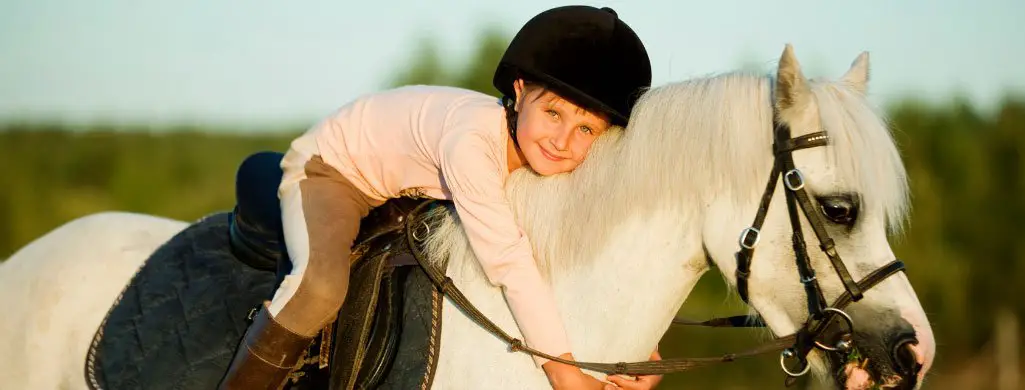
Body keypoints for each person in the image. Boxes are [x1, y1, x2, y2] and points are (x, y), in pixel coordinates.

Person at [219, 5, 659, 390]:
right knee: (320, 288)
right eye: (553, 112)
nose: (563, 141)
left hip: (406, 187)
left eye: (586, 130)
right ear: (520, 92)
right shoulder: (471, 143)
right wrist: (565, 376)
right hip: (334, 169)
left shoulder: (544, 155)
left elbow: (582, 252)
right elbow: (510, 263)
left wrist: (646, 347)